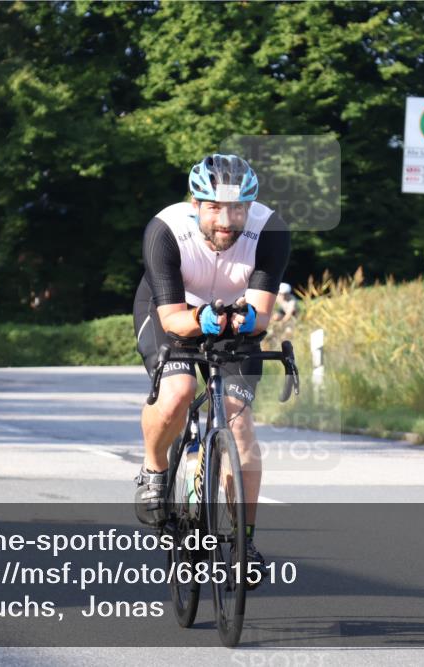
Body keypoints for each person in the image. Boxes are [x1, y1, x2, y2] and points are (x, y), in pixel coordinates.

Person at [132, 153, 290, 580]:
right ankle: (153, 467)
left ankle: (244, 541)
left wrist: (243, 320)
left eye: (237, 208)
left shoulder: (269, 230)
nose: (227, 220)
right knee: (179, 393)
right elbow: (171, 320)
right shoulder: (166, 230)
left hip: (234, 319)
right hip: (174, 313)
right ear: (196, 203)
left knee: (239, 424)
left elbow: (261, 313)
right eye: (216, 208)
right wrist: (200, 320)